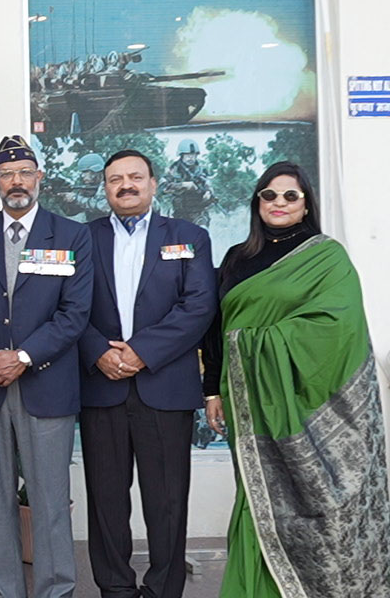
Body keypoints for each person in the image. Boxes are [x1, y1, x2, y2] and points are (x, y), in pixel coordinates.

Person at [201, 162, 390, 597]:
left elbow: (338, 328)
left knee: (310, 503)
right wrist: (211, 390)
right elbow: (216, 329)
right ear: (257, 203)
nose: (279, 203)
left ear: (306, 204)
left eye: (291, 195)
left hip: (304, 405)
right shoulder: (236, 258)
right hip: (248, 401)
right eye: (269, 194)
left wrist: (253, 343)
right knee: (255, 497)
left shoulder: (326, 257)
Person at [77, 150, 216, 598]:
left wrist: (141, 351)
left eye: (135, 177)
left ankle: (162, 591)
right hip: (102, 387)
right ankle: (116, 589)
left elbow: (199, 305)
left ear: (153, 184)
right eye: (115, 179)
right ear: (104, 188)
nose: (126, 185)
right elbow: (67, 306)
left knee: (167, 502)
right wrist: (98, 351)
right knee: (106, 502)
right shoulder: (83, 238)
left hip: (165, 387)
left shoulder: (189, 236)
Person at [0, 135, 93, 598]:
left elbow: (75, 313)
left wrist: (22, 357)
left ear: (40, 177)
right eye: (6, 174)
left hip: (46, 383)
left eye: (24, 173)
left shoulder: (72, 235)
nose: (16, 181)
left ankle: (56, 590)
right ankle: (5, 590)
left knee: (50, 501)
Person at [161, 139, 213, 225]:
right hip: (179, 213)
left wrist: (208, 193)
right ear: (181, 155)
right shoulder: (173, 170)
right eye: (187, 155)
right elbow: (162, 187)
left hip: (198, 212)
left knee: (202, 229)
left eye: (193, 155)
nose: (190, 157)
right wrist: (182, 185)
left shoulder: (202, 170)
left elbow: (209, 187)